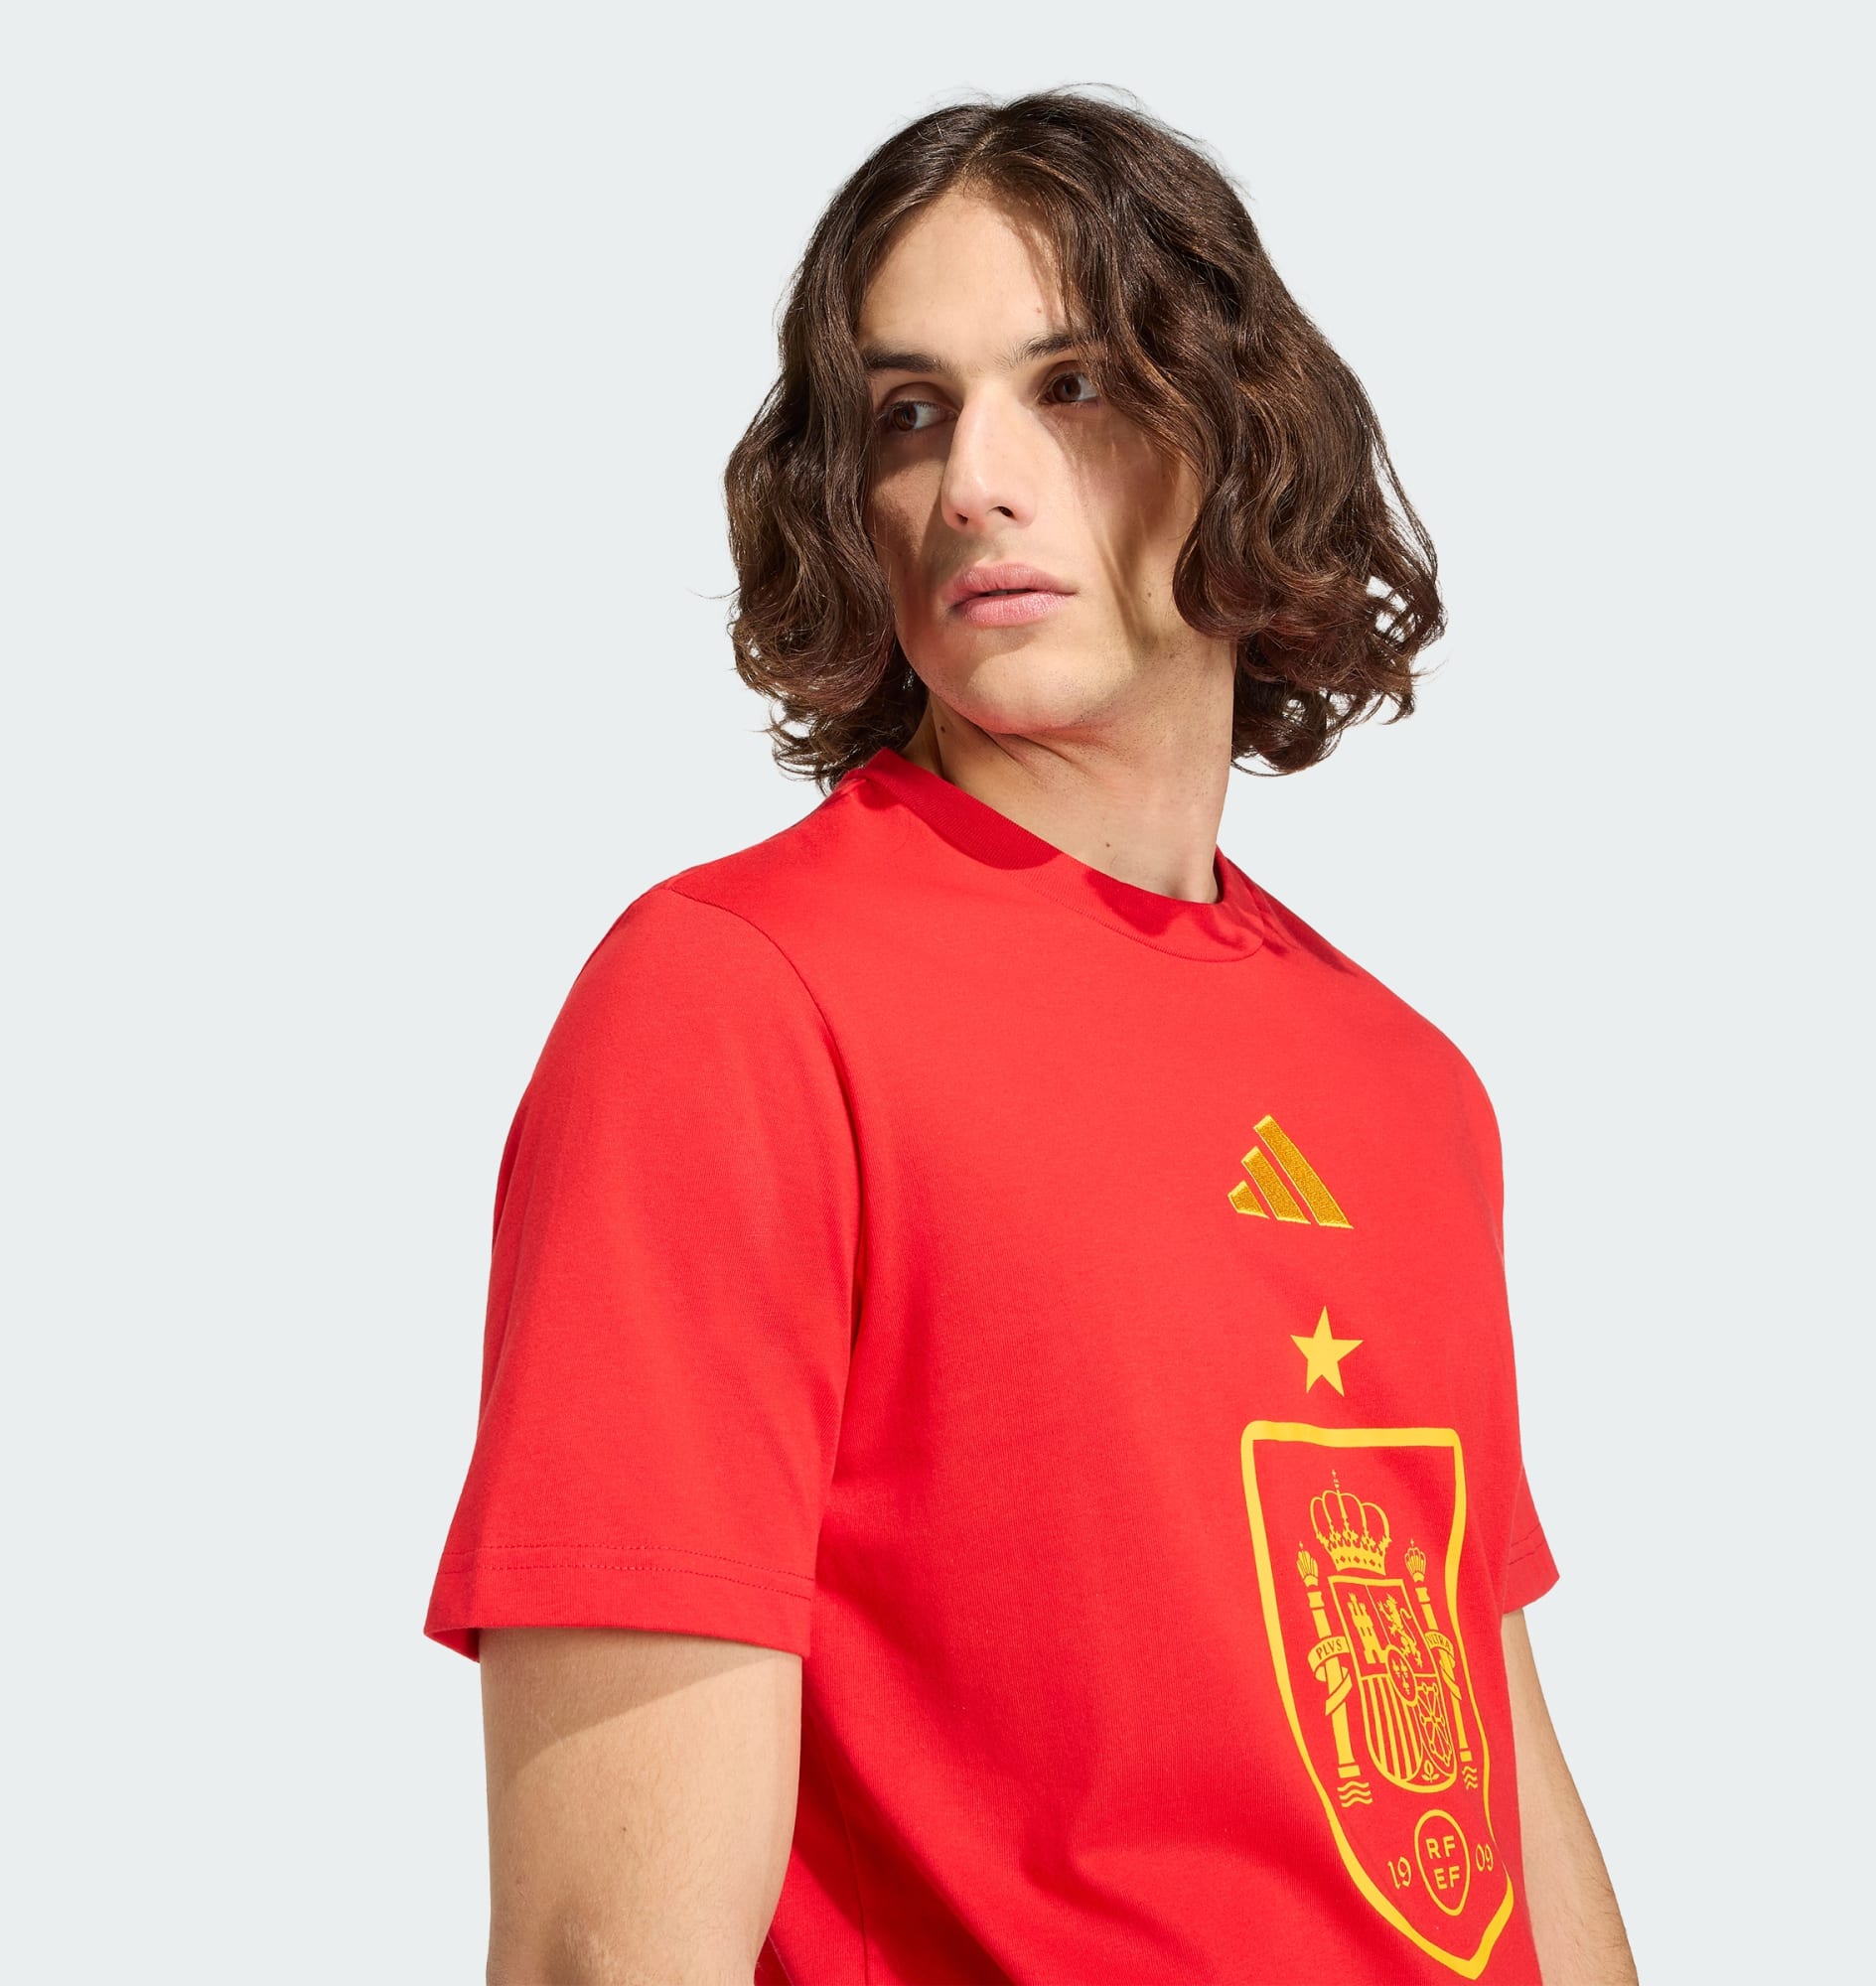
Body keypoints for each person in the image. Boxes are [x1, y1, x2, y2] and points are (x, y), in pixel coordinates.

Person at [425, 86, 1638, 1986]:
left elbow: (1484, 1786)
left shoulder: (1409, 1087)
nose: (974, 479)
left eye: (1069, 387)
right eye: (909, 413)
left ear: (1241, 436)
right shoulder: (734, 1003)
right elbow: (607, 1945)